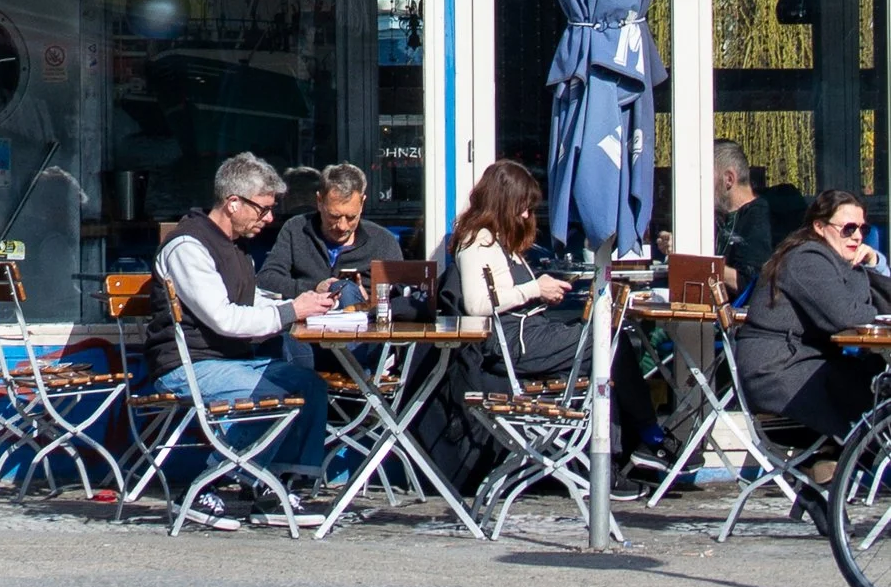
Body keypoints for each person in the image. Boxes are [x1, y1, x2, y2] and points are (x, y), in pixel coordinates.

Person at [445, 155, 664, 463]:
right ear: (503, 202)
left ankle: (616, 458)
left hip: (527, 334)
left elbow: (507, 294)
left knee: (607, 347)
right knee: (608, 343)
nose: (525, 215)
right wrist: (536, 288)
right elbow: (478, 304)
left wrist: (542, 292)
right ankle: (647, 435)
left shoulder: (497, 241)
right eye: (522, 206)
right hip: (513, 343)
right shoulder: (478, 241)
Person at [155, 148, 341, 482]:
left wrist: (305, 302)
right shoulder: (188, 246)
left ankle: (280, 485)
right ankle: (210, 484)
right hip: (187, 366)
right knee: (271, 398)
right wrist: (291, 310)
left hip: (228, 362)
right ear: (233, 202)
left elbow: (251, 301)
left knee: (309, 385)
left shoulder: (236, 245)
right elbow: (224, 319)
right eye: (264, 208)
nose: (270, 218)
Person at [733, 190, 891, 446]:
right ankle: (844, 464)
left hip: (801, 365)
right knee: (871, 389)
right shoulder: (807, 259)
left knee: (874, 378)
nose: (858, 236)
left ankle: (829, 471)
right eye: (848, 228)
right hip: (779, 377)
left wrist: (874, 263)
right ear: (819, 226)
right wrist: (878, 314)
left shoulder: (833, 260)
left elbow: (874, 302)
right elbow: (845, 315)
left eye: (863, 228)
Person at [257, 161, 404, 298]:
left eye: (351, 217)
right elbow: (267, 279)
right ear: (319, 202)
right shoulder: (296, 229)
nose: (342, 226)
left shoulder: (383, 241)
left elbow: (401, 293)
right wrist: (314, 289)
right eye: (334, 216)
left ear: (362, 203)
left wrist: (371, 303)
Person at [715, 140, 807, 295]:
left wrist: (701, 265)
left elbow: (752, 283)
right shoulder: (721, 218)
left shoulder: (760, 216)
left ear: (729, 179)